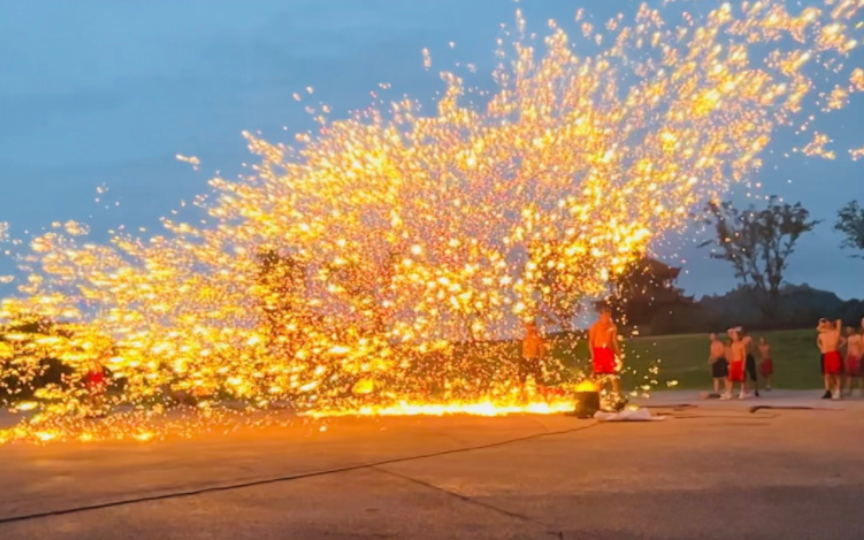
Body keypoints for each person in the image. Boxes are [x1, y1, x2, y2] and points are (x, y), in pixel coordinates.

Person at [588, 305, 621, 396]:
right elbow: (591, 341)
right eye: (605, 316)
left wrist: (617, 353)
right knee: (599, 376)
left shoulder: (612, 326)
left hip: (608, 351)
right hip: (598, 352)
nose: (607, 318)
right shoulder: (594, 327)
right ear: (601, 316)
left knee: (613, 375)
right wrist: (593, 355)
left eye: (609, 316)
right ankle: (599, 396)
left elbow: (614, 340)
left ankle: (616, 395)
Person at [817, 318, 843, 400]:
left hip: (834, 353)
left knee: (836, 374)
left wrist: (835, 323)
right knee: (828, 374)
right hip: (826, 354)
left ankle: (837, 390)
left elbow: (839, 322)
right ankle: (832, 389)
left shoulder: (835, 332)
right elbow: (819, 328)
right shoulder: (822, 333)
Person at [519, 321, 545, 399]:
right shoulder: (525, 337)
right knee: (522, 379)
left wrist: (540, 359)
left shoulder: (537, 337)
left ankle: (542, 397)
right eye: (527, 326)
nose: (528, 328)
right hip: (524, 360)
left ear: (534, 327)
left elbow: (542, 349)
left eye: (530, 326)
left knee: (539, 379)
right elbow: (524, 349)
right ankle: (522, 397)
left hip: (533, 359)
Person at [725, 328, 748, 399]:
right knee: (731, 378)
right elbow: (732, 355)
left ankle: (742, 392)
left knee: (741, 379)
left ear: (738, 336)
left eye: (735, 335)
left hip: (740, 362)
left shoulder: (742, 344)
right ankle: (729, 392)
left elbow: (744, 356)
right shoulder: (732, 345)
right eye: (733, 335)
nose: (734, 337)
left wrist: (743, 365)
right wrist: (730, 364)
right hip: (734, 362)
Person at [740, 328, 760, 397]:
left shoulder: (748, 339)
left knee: (752, 373)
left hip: (748, 356)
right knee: (743, 373)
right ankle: (746, 389)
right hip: (742, 356)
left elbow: (753, 346)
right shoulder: (740, 339)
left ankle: (756, 388)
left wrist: (750, 350)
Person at [844, 326, 863, 396]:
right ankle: (848, 390)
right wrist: (847, 357)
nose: (848, 330)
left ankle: (861, 390)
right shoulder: (849, 338)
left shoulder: (858, 337)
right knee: (849, 375)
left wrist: (860, 356)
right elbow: (849, 348)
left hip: (857, 356)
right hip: (851, 357)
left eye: (849, 329)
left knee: (860, 375)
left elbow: (861, 346)